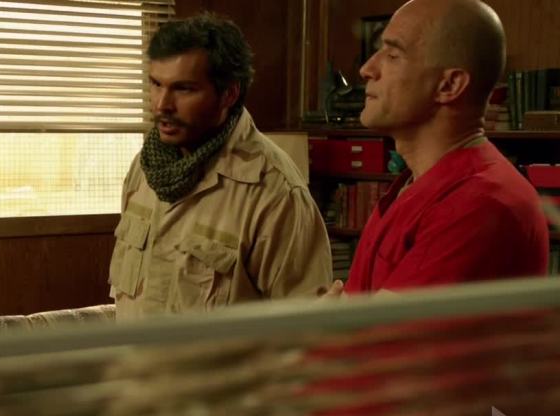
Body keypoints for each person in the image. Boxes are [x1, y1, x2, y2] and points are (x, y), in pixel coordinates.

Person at [108, 14, 332, 319]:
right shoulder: (144, 168)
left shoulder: (275, 192)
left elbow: (304, 328)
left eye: (184, 89)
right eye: (156, 84)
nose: (162, 104)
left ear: (229, 93)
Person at [340, 0, 548, 294]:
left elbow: (375, 324)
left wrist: (329, 314)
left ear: (449, 85)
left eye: (393, 55)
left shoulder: (479, 205)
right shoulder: (412, 185)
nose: (366, 69)